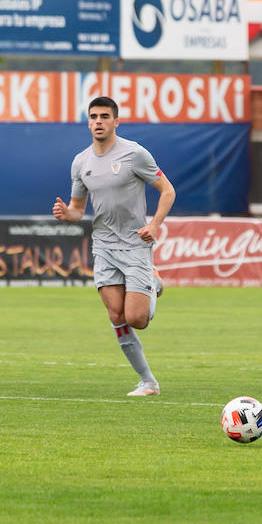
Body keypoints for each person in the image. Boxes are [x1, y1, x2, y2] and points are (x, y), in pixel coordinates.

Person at [53, 96, 174, 397]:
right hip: (104, 246)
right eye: (93, 116)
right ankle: (148, 382)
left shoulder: (135, 154)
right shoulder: (81, 162)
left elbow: (168, 190)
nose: (98, 121)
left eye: (104, 116)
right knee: (116, 316)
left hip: (135, 244)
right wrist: (67, 215)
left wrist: (155, 224)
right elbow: (78, 210)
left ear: (115, 121)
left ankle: (153, 284)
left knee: (136, 319)